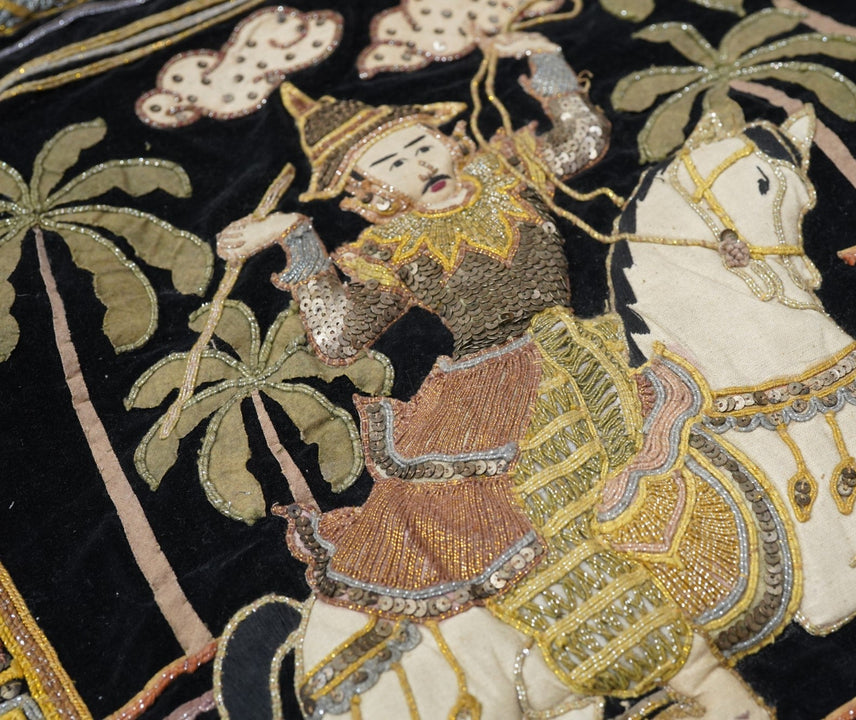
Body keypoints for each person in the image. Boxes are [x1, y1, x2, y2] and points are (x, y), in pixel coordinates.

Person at [214, 32, 612, 620]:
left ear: (445, 140)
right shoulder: (393, 245)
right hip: (488, 387)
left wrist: (546, 56)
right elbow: (338, 336)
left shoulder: (506, 168)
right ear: (369, 189)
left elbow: (583, 139)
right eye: (393, 164)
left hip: (580, 343)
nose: (419, 166)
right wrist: (297, 240)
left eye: (420, 146)